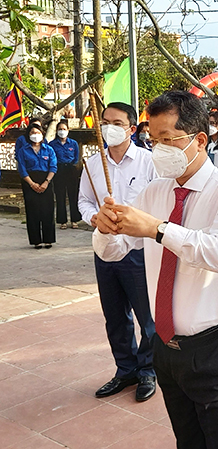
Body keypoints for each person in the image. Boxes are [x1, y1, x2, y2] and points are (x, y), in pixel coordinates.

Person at [92, 91, 218, 448]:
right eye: (153, 140)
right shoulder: (154, 191)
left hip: (214, 342)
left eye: (167, 140)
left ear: (198, 140)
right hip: (165, 342)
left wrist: (158, 229)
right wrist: (105, 230)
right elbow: (115, 250)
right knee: (187, 436)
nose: (157, 149)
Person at [78, 102, 158, 403]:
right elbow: (84, 201)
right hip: (106, 250)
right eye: (105, 121)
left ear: (131, 128)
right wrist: (95, 218)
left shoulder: (148, 162)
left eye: (117, 122)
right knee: (114, 316)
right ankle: (125, 369)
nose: (109, 127)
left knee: (145, 316)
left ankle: (148, 371)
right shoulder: (92, 164)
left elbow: (159, 202)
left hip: (138, 250)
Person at [16, 123, 57, 249]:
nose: (35, 135)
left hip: (46, 180)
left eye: (38, 132)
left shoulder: (49, 150)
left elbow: (53, 167)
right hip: (29, 181)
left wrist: (46, 182)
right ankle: (36, 240)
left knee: (47, 210)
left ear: (42, 134)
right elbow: (22, 169)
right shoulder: (23, 151)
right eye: (33, 133)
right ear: (28, 135)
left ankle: (48, 239)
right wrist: (32, 183)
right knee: (32, 211)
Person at [50, 120, 82, 229]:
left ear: (68, 131)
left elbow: (76, 157)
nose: (62, 131)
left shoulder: (73, 143)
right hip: (58, 170)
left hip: (71, 170)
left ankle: (75, 220)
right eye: (60, 129)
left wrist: (73, 166)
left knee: (73, 195)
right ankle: (62, 221)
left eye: (64, 129)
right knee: (60, 196)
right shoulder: (52, 144)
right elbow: (51, 158)